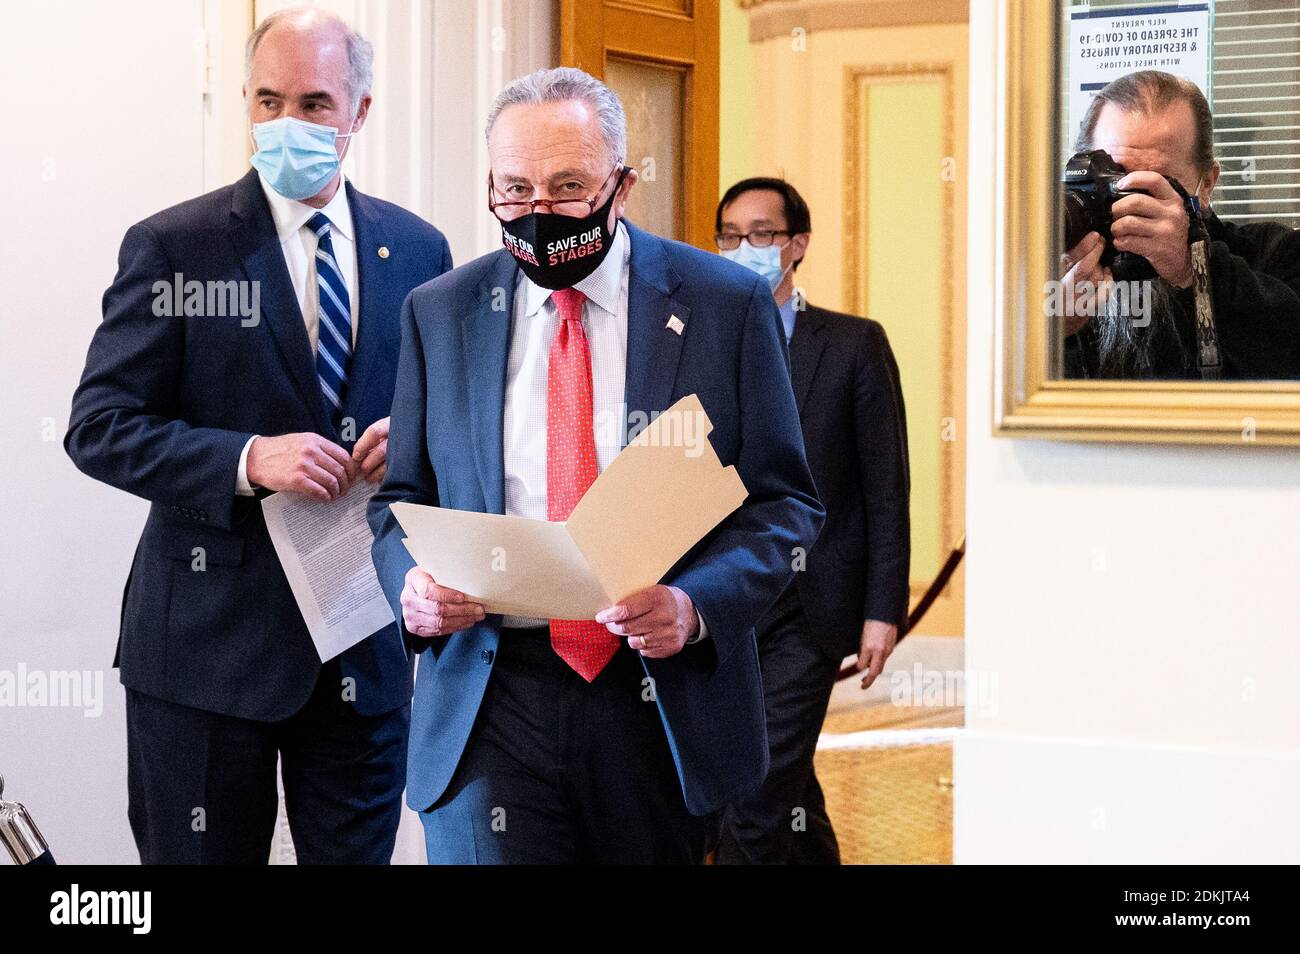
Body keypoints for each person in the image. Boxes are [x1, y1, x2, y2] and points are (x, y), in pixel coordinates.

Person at [368, 67, 824, 865]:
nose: (538, 214)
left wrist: (693, 605)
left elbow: (785, 505)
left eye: (568, 187)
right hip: (488, 694)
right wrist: (411, 584)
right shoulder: (440, 313)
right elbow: (398, 502)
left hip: (654, 698)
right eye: (514, 190)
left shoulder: (724, 305)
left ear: (622, 185)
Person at [64, 6, 452, 864]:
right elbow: (98, 426)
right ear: (244, 100)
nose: (287, 125)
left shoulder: (420, 250)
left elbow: (450, 423)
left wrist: (414, 443)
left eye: (314, 104)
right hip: (207, 656)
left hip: (363, 642)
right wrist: (246, 458)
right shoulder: (175, 245)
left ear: (361, 113)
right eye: (268, 101)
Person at [711, 177, 911, 864]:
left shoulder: (854, 345)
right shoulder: (707, 341)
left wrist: (884, 609)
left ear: (797, 244)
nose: (745, 248)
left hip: (811, 605)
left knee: (754, 798)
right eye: (730, 235)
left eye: (762, 234)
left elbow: (886, 488)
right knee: (791, 793)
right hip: (725, 602)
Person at [1060, 70, 1300, 379]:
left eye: (1155, 185)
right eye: (1115, 182)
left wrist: (1193, 266)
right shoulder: (1060, 272)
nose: (1132, 205)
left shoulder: (1275, 255)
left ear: (1206, 185)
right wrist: (1049, 335)